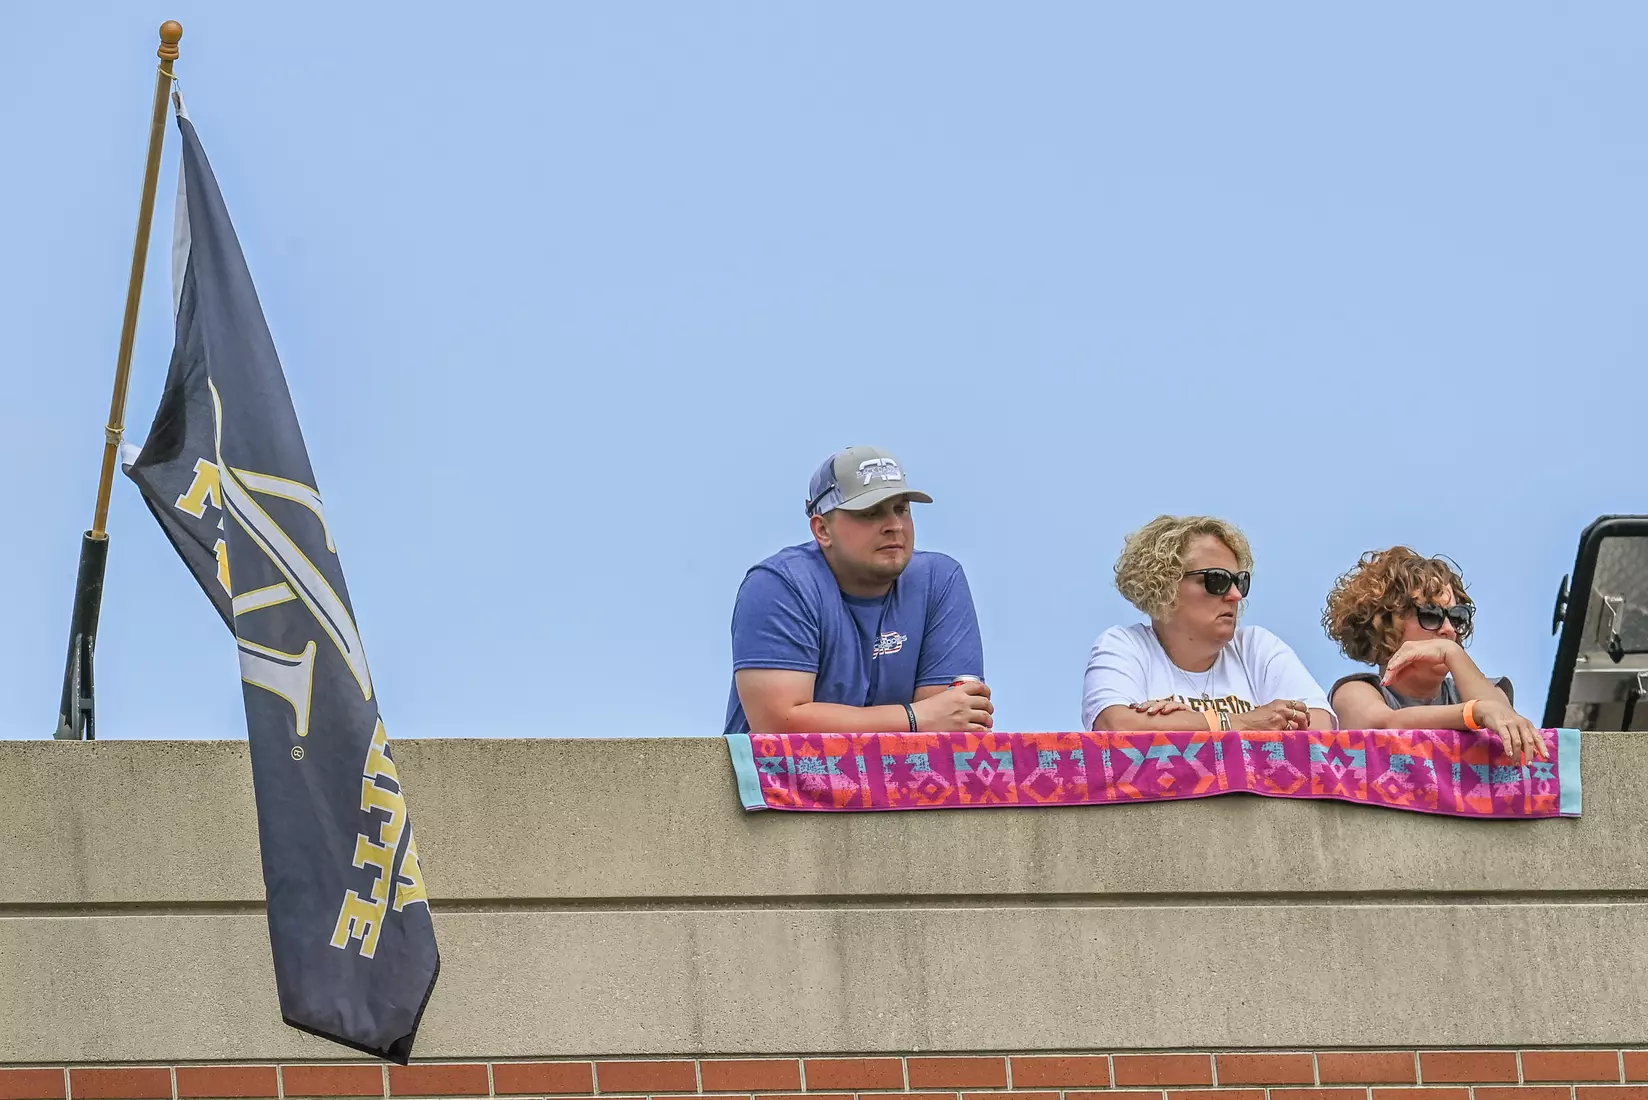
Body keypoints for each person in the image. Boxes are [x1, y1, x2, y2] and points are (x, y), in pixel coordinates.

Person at [723, 446, 992, 737]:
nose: (894, 525)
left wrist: (927, 719)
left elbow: (950, 727)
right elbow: (778, 725)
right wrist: (914, 718)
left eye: (901, 509)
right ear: (822, 530)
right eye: (870, 513)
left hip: (900, 782)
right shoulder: (779, 585)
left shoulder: (940, 581)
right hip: (777, 782)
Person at [1082, 515, 1332, 733]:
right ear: (1163, 585)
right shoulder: (1125, 646)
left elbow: (1321, 726)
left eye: (1240, 581)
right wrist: (1242, 722)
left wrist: (1188, 723)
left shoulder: (1256, 647)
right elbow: (1115, 725)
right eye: (1217, 580)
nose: (1236, 594)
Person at [1321, 547, 1546, 762]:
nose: (1448, 629)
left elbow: (1506, 723)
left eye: (1458, 617)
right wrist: (1473, 713)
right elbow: (1385, 728)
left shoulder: (1484, 692)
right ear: (1383, 624)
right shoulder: (1356, 691)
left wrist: (1452, 653)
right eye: (1430, 614)